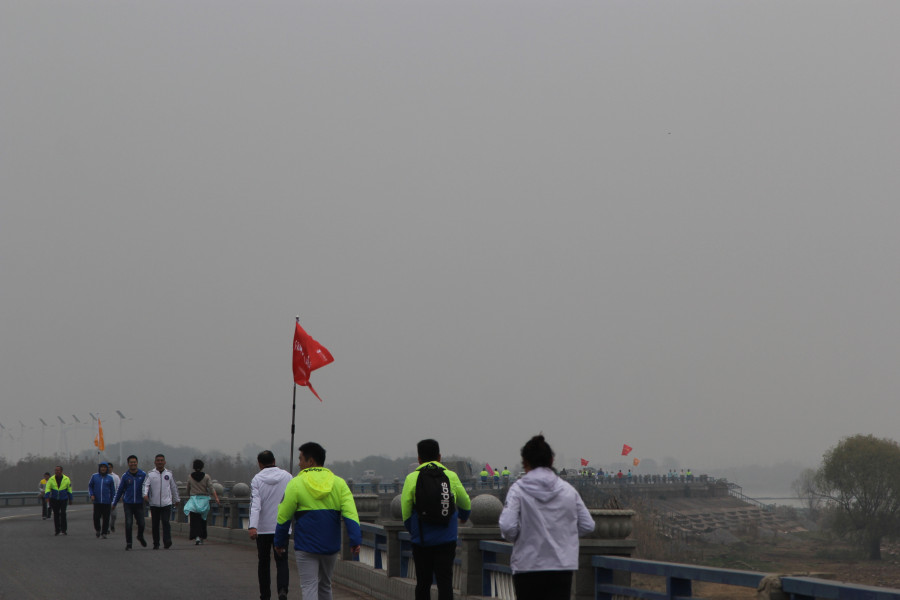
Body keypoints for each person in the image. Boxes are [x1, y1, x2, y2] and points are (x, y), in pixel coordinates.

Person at [499, 434, 595, 600]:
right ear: (551, 461)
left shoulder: (518, 490)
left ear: (525, 463)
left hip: (527, 567)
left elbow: (507, 526)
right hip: (561, 567)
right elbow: (588, 525)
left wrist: (522, 537)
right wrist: (563, 535)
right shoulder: (568, 490)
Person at [274, 442, 361, 600]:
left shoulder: (296, 483)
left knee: (309, 586)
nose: (299, 463)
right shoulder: (339, 483)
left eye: (300, 459)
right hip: (330, 546)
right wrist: (355, 539)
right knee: (325, 585)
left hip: (305, 546)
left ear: (310, 461)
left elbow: (283, 516)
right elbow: (351, 514)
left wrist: (279, 542)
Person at [401, 439, 472, 600]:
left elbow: (405, 511)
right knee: (445, 582)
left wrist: (413, 531)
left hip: (422, 540)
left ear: (419, 459)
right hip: (446, 539)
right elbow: (466, 503)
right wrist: (463, 516)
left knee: (423, 582)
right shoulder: (451, 476)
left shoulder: (412, 478)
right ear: (439, 457)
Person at [249, 450, 293, 600]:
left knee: (263, 562)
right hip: (282, 526)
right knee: (282, 560)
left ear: (259, 463)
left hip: (262, 528)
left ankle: (265, 595)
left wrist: (252, 526)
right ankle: (282, 590)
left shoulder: (257, 479)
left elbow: (255, 504)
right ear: (274, 461)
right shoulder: (287, 477)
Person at [142, 453, 180, 549]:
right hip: (154, 503)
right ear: (155, 462)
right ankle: (156, 543)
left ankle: (167, 541)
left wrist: (176, 499)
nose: (160, 462)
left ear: (165, 462)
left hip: (166, 503)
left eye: (161, 460)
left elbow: (173, 487)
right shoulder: (150, 474)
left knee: (166, 522)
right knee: (155, 524)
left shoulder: (169, 474)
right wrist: (145, 494)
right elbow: (145, 485)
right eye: (158, 460)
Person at [112, 454, 148, 550]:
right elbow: (120, 490)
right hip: (128, 503)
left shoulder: (143, 475)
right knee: (128, 523)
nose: (133, 464)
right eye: (131, 462)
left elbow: (148, 487)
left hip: (139, 503)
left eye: (134, 462)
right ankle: (129, 543)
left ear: (137, 463)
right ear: (128, 464)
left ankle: (140, 536)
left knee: (141, 523)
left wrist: (149, 498)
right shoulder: (125, 476)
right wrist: (114, 503)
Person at [183, 458, 220, 545]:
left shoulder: (190, 477)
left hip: (194, 500)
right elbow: (211, 488)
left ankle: (196, 537)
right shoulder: (206, 477)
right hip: (204, 500)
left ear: (193, 467)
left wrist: (188, 496)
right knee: (203, 519)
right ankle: (202, 536)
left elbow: (188, 489)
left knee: (194, 520)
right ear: (202, 467)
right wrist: (216, 498)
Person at [88, 461, 117, 539]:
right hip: (97, 501)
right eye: (101, 467)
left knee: (106, 518)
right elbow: (90, 486)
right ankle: (98, 529)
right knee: (96, 517)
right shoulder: (94, 476)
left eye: (104, 467)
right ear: (99, 468)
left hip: (106, 502)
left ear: (107, 469)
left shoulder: (110, 478)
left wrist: (113, 501)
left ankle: (104, 532)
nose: (103, 469)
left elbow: (113, 490)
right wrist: (91, 495)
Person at [45, 465, 73, 536]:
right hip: (54, 499)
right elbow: (47, 488)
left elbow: (69, 489)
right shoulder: (51, 479)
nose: (56, 471)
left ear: (61, 471)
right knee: (56, 514)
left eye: (58, 470)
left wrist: (70, 499)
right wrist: (47, 496)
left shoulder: (66, 479)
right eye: (55, 470)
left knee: (63, 513)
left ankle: (64, 530)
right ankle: (57, 530)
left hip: (63, 499)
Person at [107, 462, 120, 533]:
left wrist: (118, 496)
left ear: (112, 468)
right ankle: (107, 529)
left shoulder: (116, 477)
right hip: (105, 498)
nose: (109, 468)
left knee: (114, 515)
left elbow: (119, 487)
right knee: (106, 515)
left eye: (110, 467)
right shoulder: (103, 476)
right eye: (107, 467)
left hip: (113, 498)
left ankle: (112, 525)